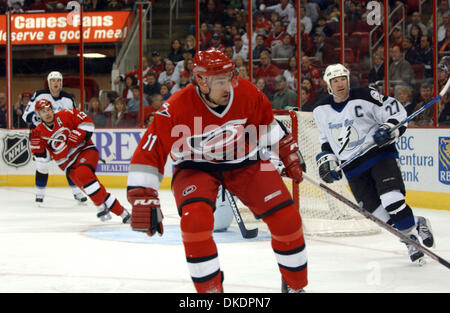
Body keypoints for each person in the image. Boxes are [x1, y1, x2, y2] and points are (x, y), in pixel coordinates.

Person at [126, 48, 308, 293]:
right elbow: (150, 150)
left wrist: (288, 153)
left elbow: (267, 125)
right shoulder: (176, 107)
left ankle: (296, 287)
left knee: (287, 219)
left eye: (230, 77)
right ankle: (211, 293)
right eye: (220, 81)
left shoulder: (247, 93)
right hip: (195, 168)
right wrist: (141, 194)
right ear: (201, 81)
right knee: (195, 223)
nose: (228, 86)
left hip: (245, 162)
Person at [313, 64, 435, 265]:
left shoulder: (365, 95)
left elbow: (395, 111)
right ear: (328, 84)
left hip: (379, 155)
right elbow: (326, 140)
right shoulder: (320, 110)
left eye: (342, 78)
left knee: (392, 200)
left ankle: (411, 241)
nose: (340, 83)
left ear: (348, 79)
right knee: (379, 216)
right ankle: (415, 228)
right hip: (352, 168)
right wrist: (328, 160)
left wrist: (388, 128)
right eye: (335, 81)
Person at [29, 99, 131, 223]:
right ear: (38, 115)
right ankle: (124, 214)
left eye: (49, 110)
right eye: (43, 111)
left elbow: (87, 122)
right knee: (96, 190)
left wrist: (79, 133)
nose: (47, 113)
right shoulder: (38, 133)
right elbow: (43, 164)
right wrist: (38, 151)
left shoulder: (65, 114)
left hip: (85, 151)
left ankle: (100, 206)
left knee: (83, 175)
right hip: (68, 166)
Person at [22, 71, 87, 205]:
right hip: (41, 136)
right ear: (49, 83)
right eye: (53, 81)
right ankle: (39, 196)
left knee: (70, 163)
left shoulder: (68, 99)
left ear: (61, 83)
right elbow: (26, 115)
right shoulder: (39, 95)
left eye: (58, 80)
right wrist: (41, 125)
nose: (55, 83)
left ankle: (77, 192)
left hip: (61, 136)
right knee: (42, 165)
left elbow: (75, 118)